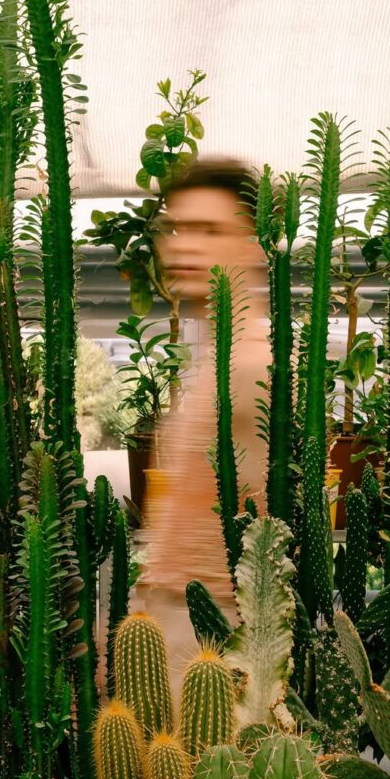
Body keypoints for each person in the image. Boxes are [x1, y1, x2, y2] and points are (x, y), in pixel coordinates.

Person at [136, 159, 271, 687]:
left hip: (213, 638)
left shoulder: (251, 363)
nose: (183, 245)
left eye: (207, 230)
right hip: (180, 627)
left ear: (253, 243)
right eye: (176, 228)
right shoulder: (219, 357)